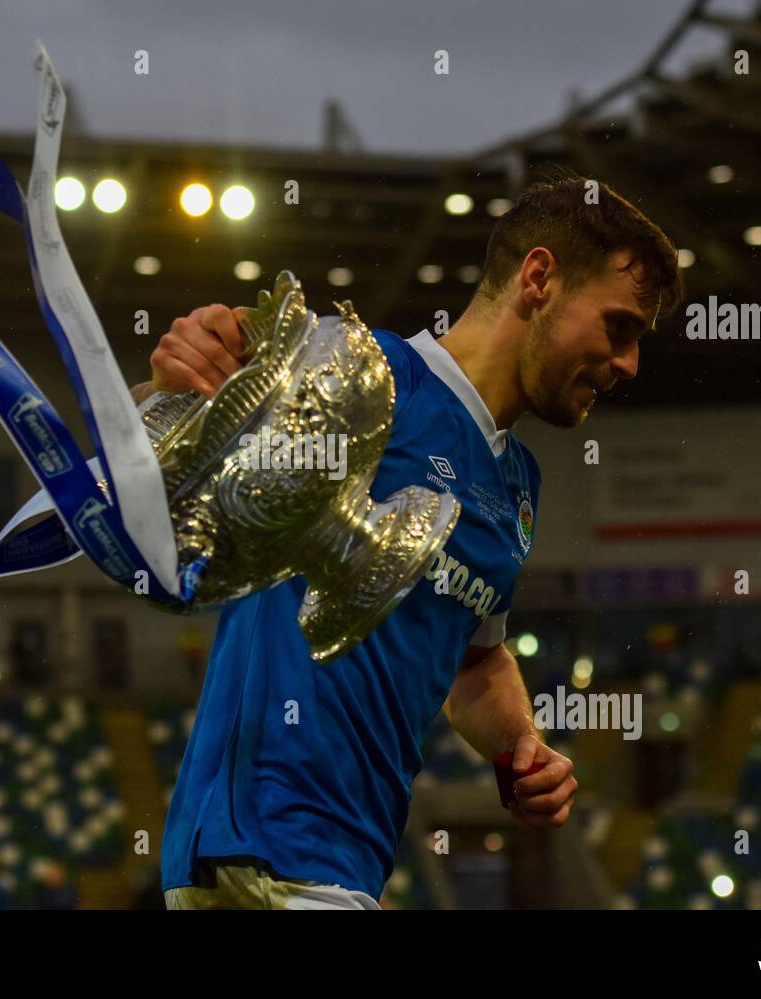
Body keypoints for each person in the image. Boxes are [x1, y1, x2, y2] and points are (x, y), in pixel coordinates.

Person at [134, 175, 684, 909]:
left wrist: (523, 745)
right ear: (539, 278)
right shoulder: (366, 376)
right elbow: (157, 452)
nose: (628, 366)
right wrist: (179, 377)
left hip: (341, 866)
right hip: (263, 844)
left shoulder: (517, 485)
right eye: (619, 328)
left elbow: (476, 660)